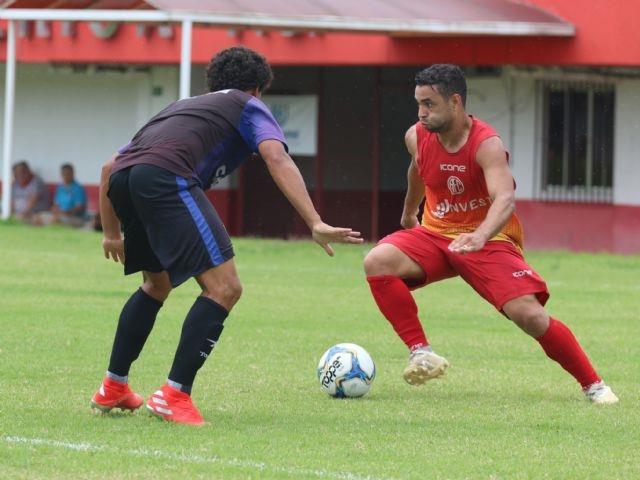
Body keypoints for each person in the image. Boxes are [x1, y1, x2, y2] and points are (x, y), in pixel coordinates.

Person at [90, 46, 363, 425]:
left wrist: (111, 234)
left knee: (157, 284)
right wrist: (314, 221)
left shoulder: (181, 106)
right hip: (167, 178)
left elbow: (109, 167)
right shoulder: (247, 104)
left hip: (128, 181)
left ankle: (113, 386)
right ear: (257, 89)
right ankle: (174, 395)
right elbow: (277, 157)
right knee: (225, 288)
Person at [363, 64, 618, 404]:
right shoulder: (416, 135)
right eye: (419, 104)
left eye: (429, 104)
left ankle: (594, 385)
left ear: (455, 102)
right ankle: (421, 352)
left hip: (490, 239)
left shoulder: (486, 144)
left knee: (529, 315)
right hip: (436, 233)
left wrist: (481, 236)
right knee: (377, 260)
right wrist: (411, 211)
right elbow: (418, 169)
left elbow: (505, 199)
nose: (421, 113)